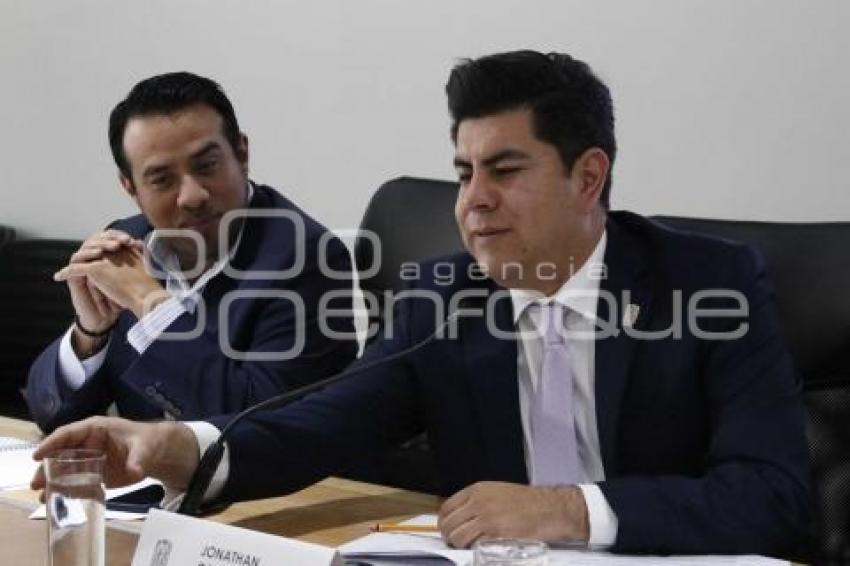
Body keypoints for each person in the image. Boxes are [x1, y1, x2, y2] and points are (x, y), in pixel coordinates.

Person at [32, 52, 810, 556]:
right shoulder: (441, 297)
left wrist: (570, 510)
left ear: (588, 177)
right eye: (464, 171)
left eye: (505, 170)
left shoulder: (710, 285)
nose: (473, 200)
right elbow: (323, 420)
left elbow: (774, 497)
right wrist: (178, 447)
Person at [26, 72, 358, 433]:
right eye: (162, 180)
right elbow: (52, 414)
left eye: (206, 166)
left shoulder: (307, 259)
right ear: (130, 188)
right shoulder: (127, 242)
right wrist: (90, 334)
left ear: (242, 153)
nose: (193, 196)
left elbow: (261, 428)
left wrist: (150, 303)